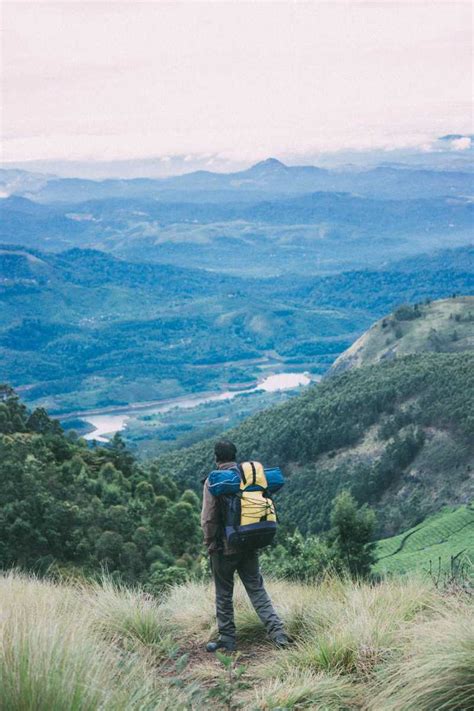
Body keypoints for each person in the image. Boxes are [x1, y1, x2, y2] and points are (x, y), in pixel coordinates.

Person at [201, 438, 289, 652]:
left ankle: (228, 641)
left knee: (223, 594)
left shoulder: (214, 481)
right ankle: (278, 634)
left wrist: (210, 543)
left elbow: (208, 518)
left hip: (224, 548)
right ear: (234, 456)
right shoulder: (250, 478)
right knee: (257, 590)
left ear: (216, 458)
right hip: (250, 544)